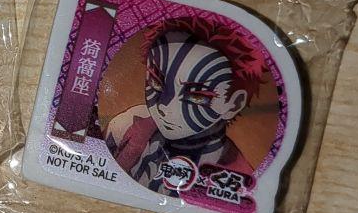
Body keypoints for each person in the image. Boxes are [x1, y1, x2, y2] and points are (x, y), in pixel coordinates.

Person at [105, 15, 263, 194]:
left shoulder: (238, 182)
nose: (163, 107)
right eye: (156, 83)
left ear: (233, 104)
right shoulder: (126, 126)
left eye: (196, 97)